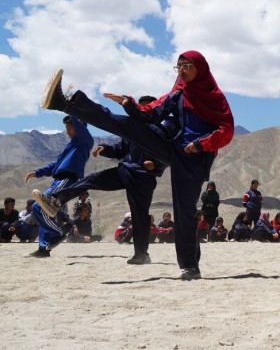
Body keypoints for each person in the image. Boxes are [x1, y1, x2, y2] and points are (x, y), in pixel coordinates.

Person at [40, 51, 234, 280]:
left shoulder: (214, 97)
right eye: (178, 66)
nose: (181, 70)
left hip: (194, 159)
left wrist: (201, 145)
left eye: (187, 65)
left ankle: (190, 266)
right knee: (127, 126)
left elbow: (226, 130)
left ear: (200, 68)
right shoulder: (179, 93)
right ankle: (65, 103)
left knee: (185, 210)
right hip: (169, 143)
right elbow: (152, 113)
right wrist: (128, 103)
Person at [34, 95, 168, 264]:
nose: (143, 111)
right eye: (140, 108)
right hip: (125, 171)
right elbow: (120, 150)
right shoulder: (132, 130)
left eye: (147, 108)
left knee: (139, 215)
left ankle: (141, 254)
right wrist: (104, 149)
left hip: (144, 178)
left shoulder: (162, 132)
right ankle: (56, 200)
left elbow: (170, 156)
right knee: (92, 179)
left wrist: (156, 165)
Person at [24, 115, 93, 258]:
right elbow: (56, 166)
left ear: (79, 128)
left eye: (70, 127)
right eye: (66, 128)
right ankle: (44, 248)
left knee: (39, 207)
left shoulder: (85, 141)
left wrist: (71, 108)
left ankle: (58, 232)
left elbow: (78, 122)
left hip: (67, 179)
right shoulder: (70, 145)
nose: (67, 131)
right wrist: (37, 172)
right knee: (47, 211)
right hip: (59, 180)